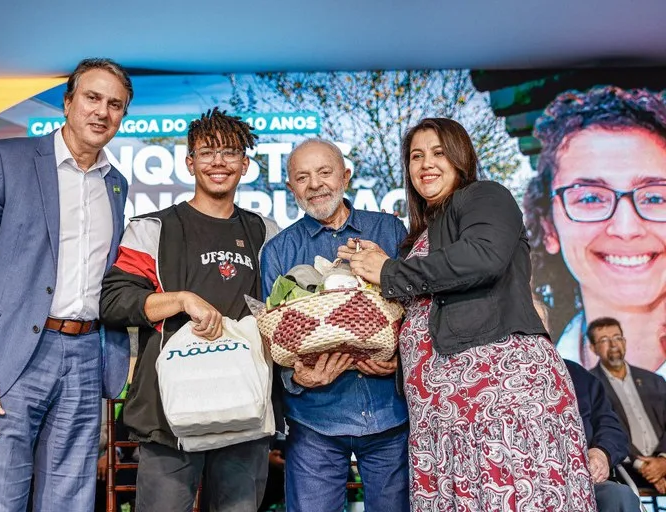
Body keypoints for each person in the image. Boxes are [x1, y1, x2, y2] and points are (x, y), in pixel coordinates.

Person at [337, 117, 597, 509]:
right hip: (442, 415)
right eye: (416, 156)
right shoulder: (423, 232)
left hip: (497, 399)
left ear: (461, 158)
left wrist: (389, 270)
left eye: (439, 153)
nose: (426, 163)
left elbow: (484, 257)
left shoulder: (485, 196)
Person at [0, 58, 132, 511]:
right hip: (7, 358)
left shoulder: (116, 184)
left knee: (70, 501)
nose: (102, 112)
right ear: (68, 103)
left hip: (85, 357)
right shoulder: (7, 158)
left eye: (115, 104)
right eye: (92, 98)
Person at [100, 108, 279, 512]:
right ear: (189, 162)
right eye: (207, 152)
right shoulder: (152, 229)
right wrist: (181, 299)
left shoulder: (266, 232)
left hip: (244, 414)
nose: (219, 161)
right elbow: (113, 300)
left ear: (245, 164)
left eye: (230, 152)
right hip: (169, 418)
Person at [261, 138, 410, 512]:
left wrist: (401, 365)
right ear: (290, 187)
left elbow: (420, 312)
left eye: (325, 172)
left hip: (390, 413)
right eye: (302, 177)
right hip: (315, 420)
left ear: (345, 175)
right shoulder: (279, 251)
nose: (315, 184)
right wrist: (296, 377)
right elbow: (271, 337)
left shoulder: (390, 231)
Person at [524, 86, 666, 375]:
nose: (626, 229)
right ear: (549, 228)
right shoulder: (533, 372)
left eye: (655, 197)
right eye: (589, 197)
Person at [586, 316, 666, 494]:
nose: (613, 345)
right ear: (593, 348)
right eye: (604, 340)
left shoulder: (654, 380)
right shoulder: (590, 386)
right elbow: (604, 432)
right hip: (626, 468)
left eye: (617, 337)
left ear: (625, 341)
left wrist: (662, 462)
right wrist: (647, 468)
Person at [564, 358, 642, 512]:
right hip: (522, 485)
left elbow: (612, 429)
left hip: (585, 482)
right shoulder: (503, 372)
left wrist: (602, 452)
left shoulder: (578, 375)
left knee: (619, 496)